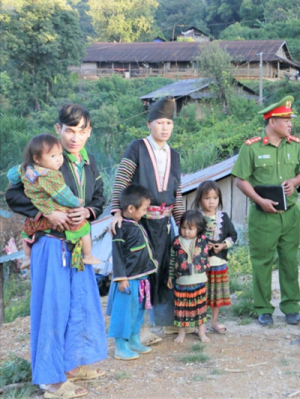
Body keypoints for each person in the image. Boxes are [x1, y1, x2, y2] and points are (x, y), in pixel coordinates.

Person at [6, 104, 107, 398]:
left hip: (78, 243)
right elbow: (12, 194)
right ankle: (50, 381)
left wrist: (88, 211)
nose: (75, 138)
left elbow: (99, 197)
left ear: (89, 132)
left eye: (81, 131)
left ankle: (73, 365)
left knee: (81, 303)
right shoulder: (45, 159)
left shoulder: (88, 162)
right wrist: (47, 212)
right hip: (51, 243)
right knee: (53, 307)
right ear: (58, 129)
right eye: (69, 130)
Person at [232, 95, 300, 326]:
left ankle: (291, 307)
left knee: (289, 260)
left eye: (290, 120)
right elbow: (241, 180)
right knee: (262, 262)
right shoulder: (252, 148)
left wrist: (295, 181)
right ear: (271, 122)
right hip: (263, 216)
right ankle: (263, 308)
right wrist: (260, 200)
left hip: (290, 215)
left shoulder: (295, 146)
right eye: (285, 119)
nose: (290, 124)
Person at [110, 96, 185, 343]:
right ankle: (140, 329)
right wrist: (117, 212)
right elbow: (121, 180)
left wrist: (182, 222)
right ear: (149, 124)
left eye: (169, 123)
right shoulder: (137, 147)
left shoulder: (174, 154)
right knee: (141, 272)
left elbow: (178, 192)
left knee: (165, 269)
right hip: (139, 224)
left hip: (164, 224)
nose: (164, 128)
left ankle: (166, 323)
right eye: (159, 122)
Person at [7, 134, 101, 269]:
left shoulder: (26, 169)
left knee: (26, 233)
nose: (58, 160)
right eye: (53, 156)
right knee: (84, 228)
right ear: (37, 159)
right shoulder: (51, 175)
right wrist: (77, 203)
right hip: (57, 220)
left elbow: (12, 175)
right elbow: (63, 195)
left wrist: (18, 171)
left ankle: (27, 258)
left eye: (60, 155)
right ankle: (88, 256)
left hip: (36, 219)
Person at [108, 185, 157, 360]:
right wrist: (121, 279)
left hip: (141, 278)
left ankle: (134, 340)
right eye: (143, 209)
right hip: (127, 281)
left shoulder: (135, 224)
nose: (145, 213)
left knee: (138, 311)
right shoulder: (120, 228)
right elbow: (117, 255)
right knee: (124, 312)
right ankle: (121, 346)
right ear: (131, 208)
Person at [193, 180, 237, 334]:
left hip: (219, 263)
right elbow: (189, 237)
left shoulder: (223, 217)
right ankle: (201, 324)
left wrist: (223, 245)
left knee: (216, 295)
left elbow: (233, 235)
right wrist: (203, 244)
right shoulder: (196, 217)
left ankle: (214, 322)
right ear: (199, 199)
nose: (211, 202)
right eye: (207, 198)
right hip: (200, 265)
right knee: (201, 295)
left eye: (215, 198)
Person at [167, 210, 211, 343]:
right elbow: (172, 260)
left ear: (198, 229)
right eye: (184, 227)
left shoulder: (202, 240)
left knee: (200, 308)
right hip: (181, 281)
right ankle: (182, 333)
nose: (186, 231)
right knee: (181, 309)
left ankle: (201, 332)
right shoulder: (176, 242)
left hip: (199, 281)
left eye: (191, 228)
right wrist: (170, 276)